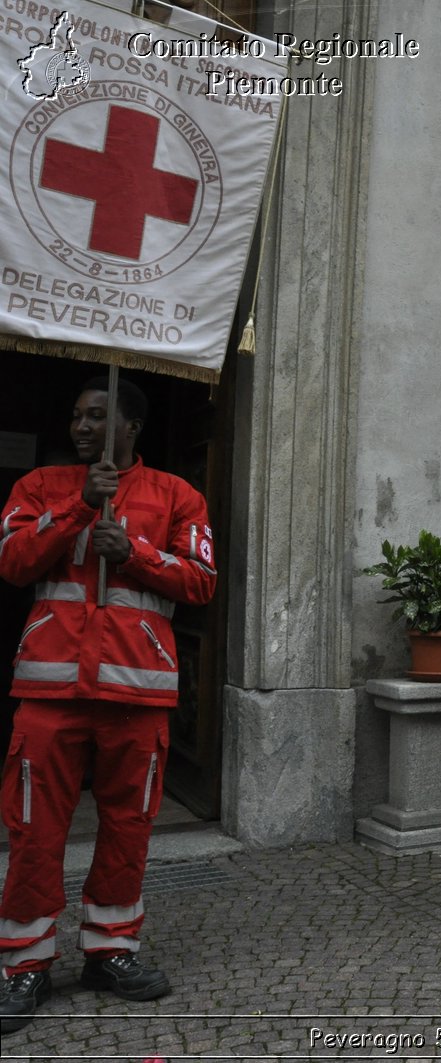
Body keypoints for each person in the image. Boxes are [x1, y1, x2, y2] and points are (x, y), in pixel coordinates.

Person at [0, 378, 216, 1033]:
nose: (81, 426)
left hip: (137, 691)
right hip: (50, 691)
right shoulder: (40, 486)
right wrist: (75, 510)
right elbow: (12, 559)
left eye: (97, 415)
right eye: (76, 416)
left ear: (131, 426)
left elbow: (201, 580)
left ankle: (111, 952)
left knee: (128, 829)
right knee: (35, 831)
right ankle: (24, 964)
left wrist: (138, 553)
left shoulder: (180, 496)